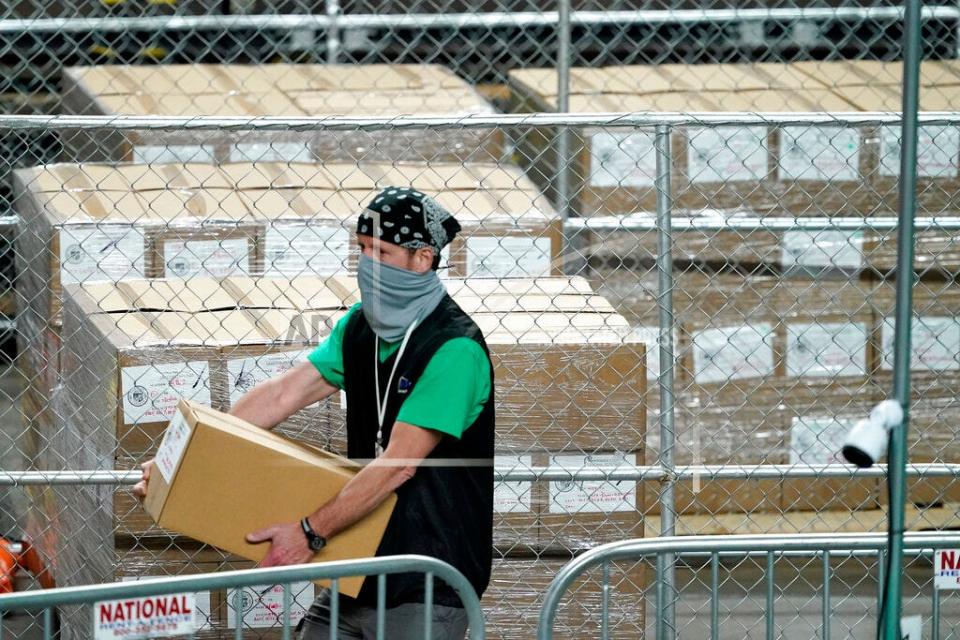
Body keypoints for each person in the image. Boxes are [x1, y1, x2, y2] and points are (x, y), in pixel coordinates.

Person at [134, 186, 495, 640]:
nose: (367, 263)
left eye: (381, 251)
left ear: (422, 259)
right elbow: (283, 394)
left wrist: (308, 533)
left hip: (423, 580)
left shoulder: (453, 348)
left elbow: (398, 465)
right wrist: (183, 458)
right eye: (362, 249)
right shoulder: (360, 326)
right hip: (357, 564)